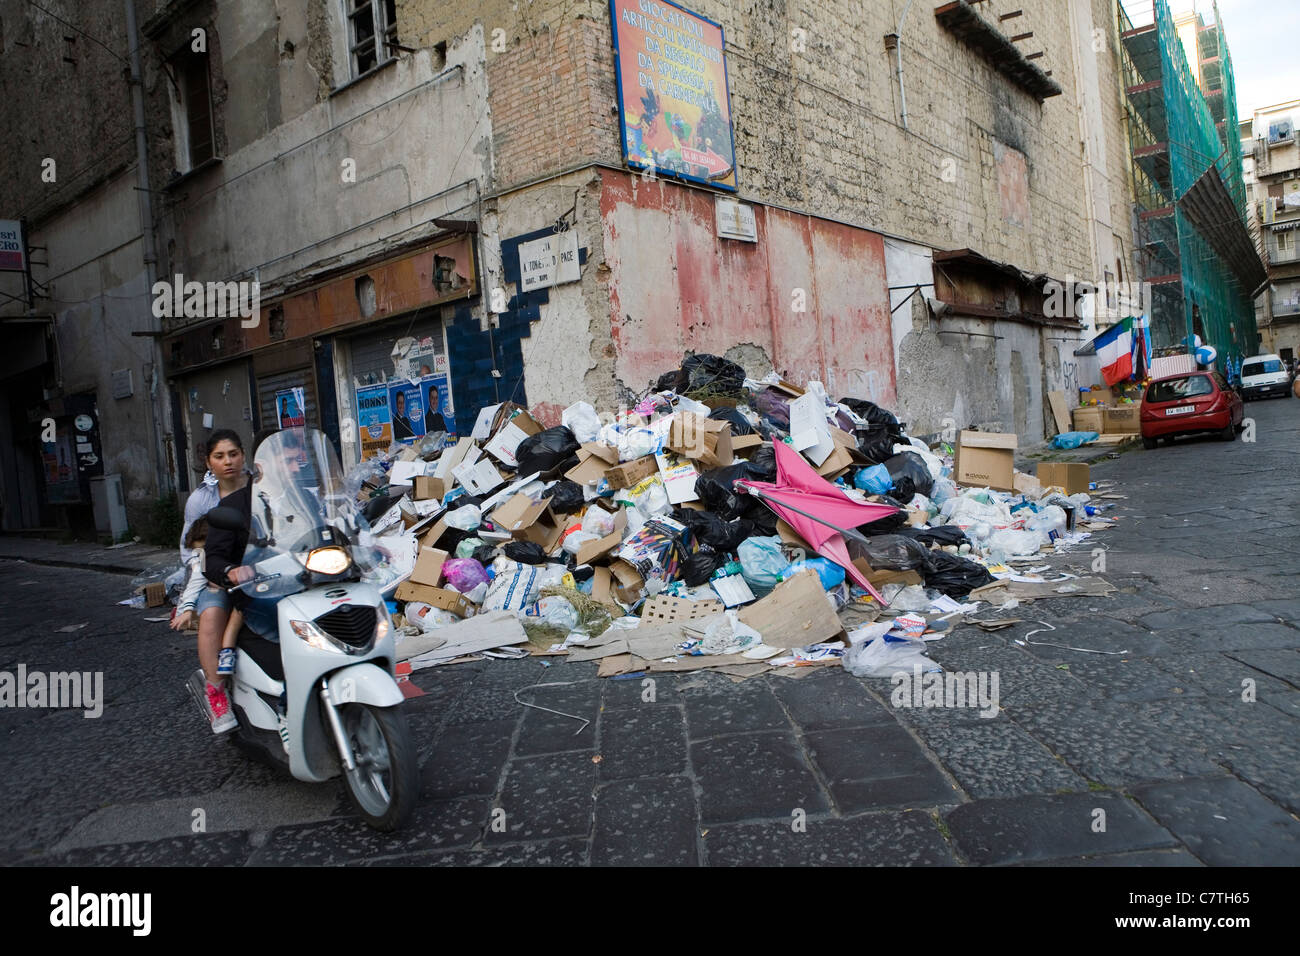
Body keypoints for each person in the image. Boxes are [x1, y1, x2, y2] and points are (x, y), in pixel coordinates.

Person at [191, 428, 259, 733]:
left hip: (266, 569)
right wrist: (225, 572)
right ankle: (216, 693)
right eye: (219, 456)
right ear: (209, 462)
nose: (228, 461)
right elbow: (195, 550)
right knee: (212, 614)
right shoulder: (203, 501)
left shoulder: (262, 486)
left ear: (244, 455)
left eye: (233, 454)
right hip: (216, 575)